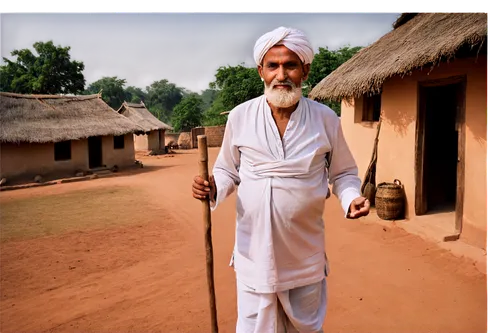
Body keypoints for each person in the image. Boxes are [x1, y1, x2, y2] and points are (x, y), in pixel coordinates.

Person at [192, 26, 370, 333]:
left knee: (306, 328)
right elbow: (226, 171)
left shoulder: (326, 119)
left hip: (304, 257)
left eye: (290, 65)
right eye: (273, 66)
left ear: (305, 69)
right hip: (253, 257)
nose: (281, 74)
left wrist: (351, 197)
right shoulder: (240, 117)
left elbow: (343, 173)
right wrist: (212, 187)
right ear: (261, 71)